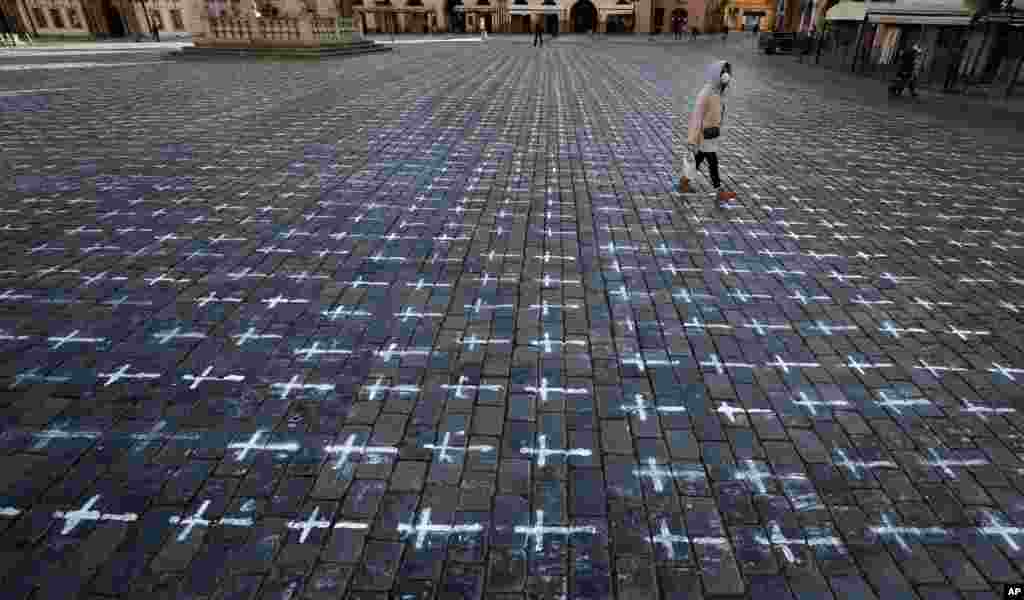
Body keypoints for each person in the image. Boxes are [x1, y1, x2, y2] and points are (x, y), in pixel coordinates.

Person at [681, 60, 737, 204]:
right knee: (712, 161)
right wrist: (692, 138)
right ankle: (719, 191)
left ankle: (684, 182)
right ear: (716, 74)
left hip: (712, 134)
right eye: (723, 72)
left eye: (727, 71)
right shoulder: (706, 92)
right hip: (704, 134)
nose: (726, 75)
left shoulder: (718, 90)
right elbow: (697, 115)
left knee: (698, 160)